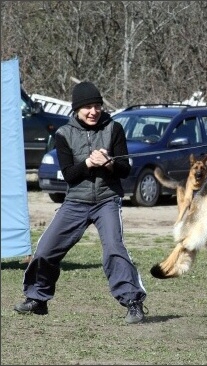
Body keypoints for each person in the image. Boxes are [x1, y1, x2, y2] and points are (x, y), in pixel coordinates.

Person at [14, 81, 147, 324]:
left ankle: (133, 303)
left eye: (97, 106)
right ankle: (37, 298)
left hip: (107, 199)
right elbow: (69, 175)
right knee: (45, 250)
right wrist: (88, 163)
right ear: (77, 109)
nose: (93, 111)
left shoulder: (114, 129)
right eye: (87, 107)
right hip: (76, 201)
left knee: (114, 250)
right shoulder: (64, 134)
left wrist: (108, 164)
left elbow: (125, 170)